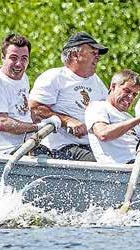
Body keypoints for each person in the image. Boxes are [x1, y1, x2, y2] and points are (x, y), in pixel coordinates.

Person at [29, 32, 109, 161]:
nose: (98, 57)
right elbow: (35, 109)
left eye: (98, 54)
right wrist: (67, 121)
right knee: (103, 164)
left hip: (94, 144)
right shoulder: (54, 77)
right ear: (74, 55)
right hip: (62, 147)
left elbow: (109, 110)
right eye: (93, 53)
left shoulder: (96, 81)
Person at [0, 34, 60, 155]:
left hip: (26, 145)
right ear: (3, 57)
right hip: (3, 153)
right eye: (13, 58)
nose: (19, 64)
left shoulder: (23, 77)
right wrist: (38, 127)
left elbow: (24, 111)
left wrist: (47, 120)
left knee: (59, 155)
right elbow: (1, 123)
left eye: (24, 58)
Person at [85, 70, 140, 164]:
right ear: (113, 86)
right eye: (127, 91)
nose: (130, 97)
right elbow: (103, 134)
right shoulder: (98, 107)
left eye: (134, 94)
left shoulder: (129, 117)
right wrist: (138, 120)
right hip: (119, 168)